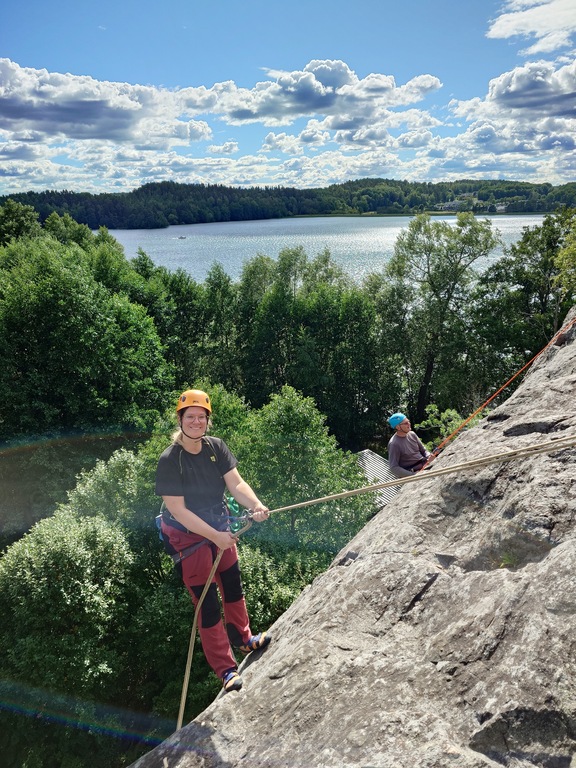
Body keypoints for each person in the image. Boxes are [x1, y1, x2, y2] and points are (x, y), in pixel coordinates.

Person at [155, 388, 271, 693]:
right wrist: (215, 536)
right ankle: (226, 669)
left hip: (219, 527)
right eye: (190, 417)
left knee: (232, 586)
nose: (196, 422)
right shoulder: (170, 460)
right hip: (189, 539)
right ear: (180, 420)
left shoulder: (215, 447)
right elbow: (178, 511)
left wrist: (255, 505)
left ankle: (244, 639)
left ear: (208, 421)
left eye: (201, 417)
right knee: (207, 605)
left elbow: (236, 483)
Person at [387, 412, 435, 478]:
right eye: (405, 423)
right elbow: (394, 467)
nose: (409, 424)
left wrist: (428, 456)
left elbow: (423, 450)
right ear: (398, 427)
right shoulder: (394, 444)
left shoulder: (412, 434)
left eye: (408, 421)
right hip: (413, 471)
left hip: (425, 464)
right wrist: (413, 475)